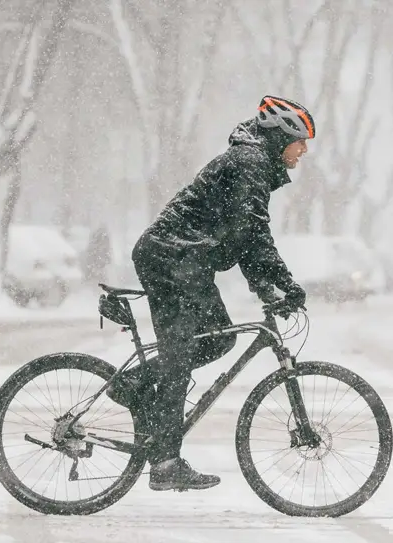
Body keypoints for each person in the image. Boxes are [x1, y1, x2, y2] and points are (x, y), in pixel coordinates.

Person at [108, 95, 314, 492]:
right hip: (171, 258)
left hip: (186, 260)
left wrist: (265, 285)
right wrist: (283, 284)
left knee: (218, 341)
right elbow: (251, 232)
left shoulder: (253, 163)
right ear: (281, 136)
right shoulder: (249, 163)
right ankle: (166, 463)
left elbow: (245, 236)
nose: (304, 150)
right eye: (300, 140)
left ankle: (135, 385)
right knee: (180, 355)